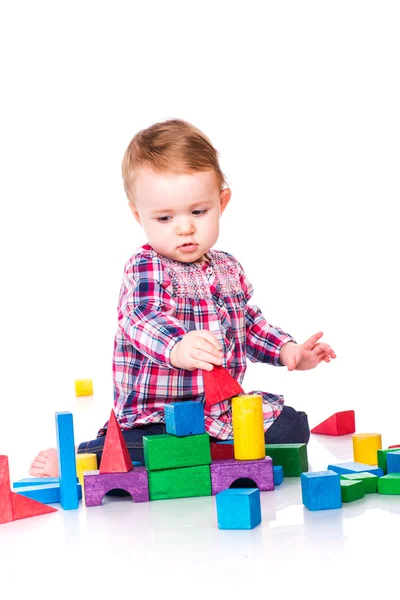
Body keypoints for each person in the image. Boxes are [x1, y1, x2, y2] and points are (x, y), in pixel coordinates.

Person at [29, 119, 336, 478]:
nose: (185, 227)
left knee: (293, 427)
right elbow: (139, 317)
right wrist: (178, 346)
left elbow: (248, 323)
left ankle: (212, 454)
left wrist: (288, 350)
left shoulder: (227, 267)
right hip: (158, 414)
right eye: (164, 217)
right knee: (137, 449)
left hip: (221, 411)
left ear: (222, 202)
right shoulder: (147, 266)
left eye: (198, 211)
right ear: (137, 215)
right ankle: (78, 459)